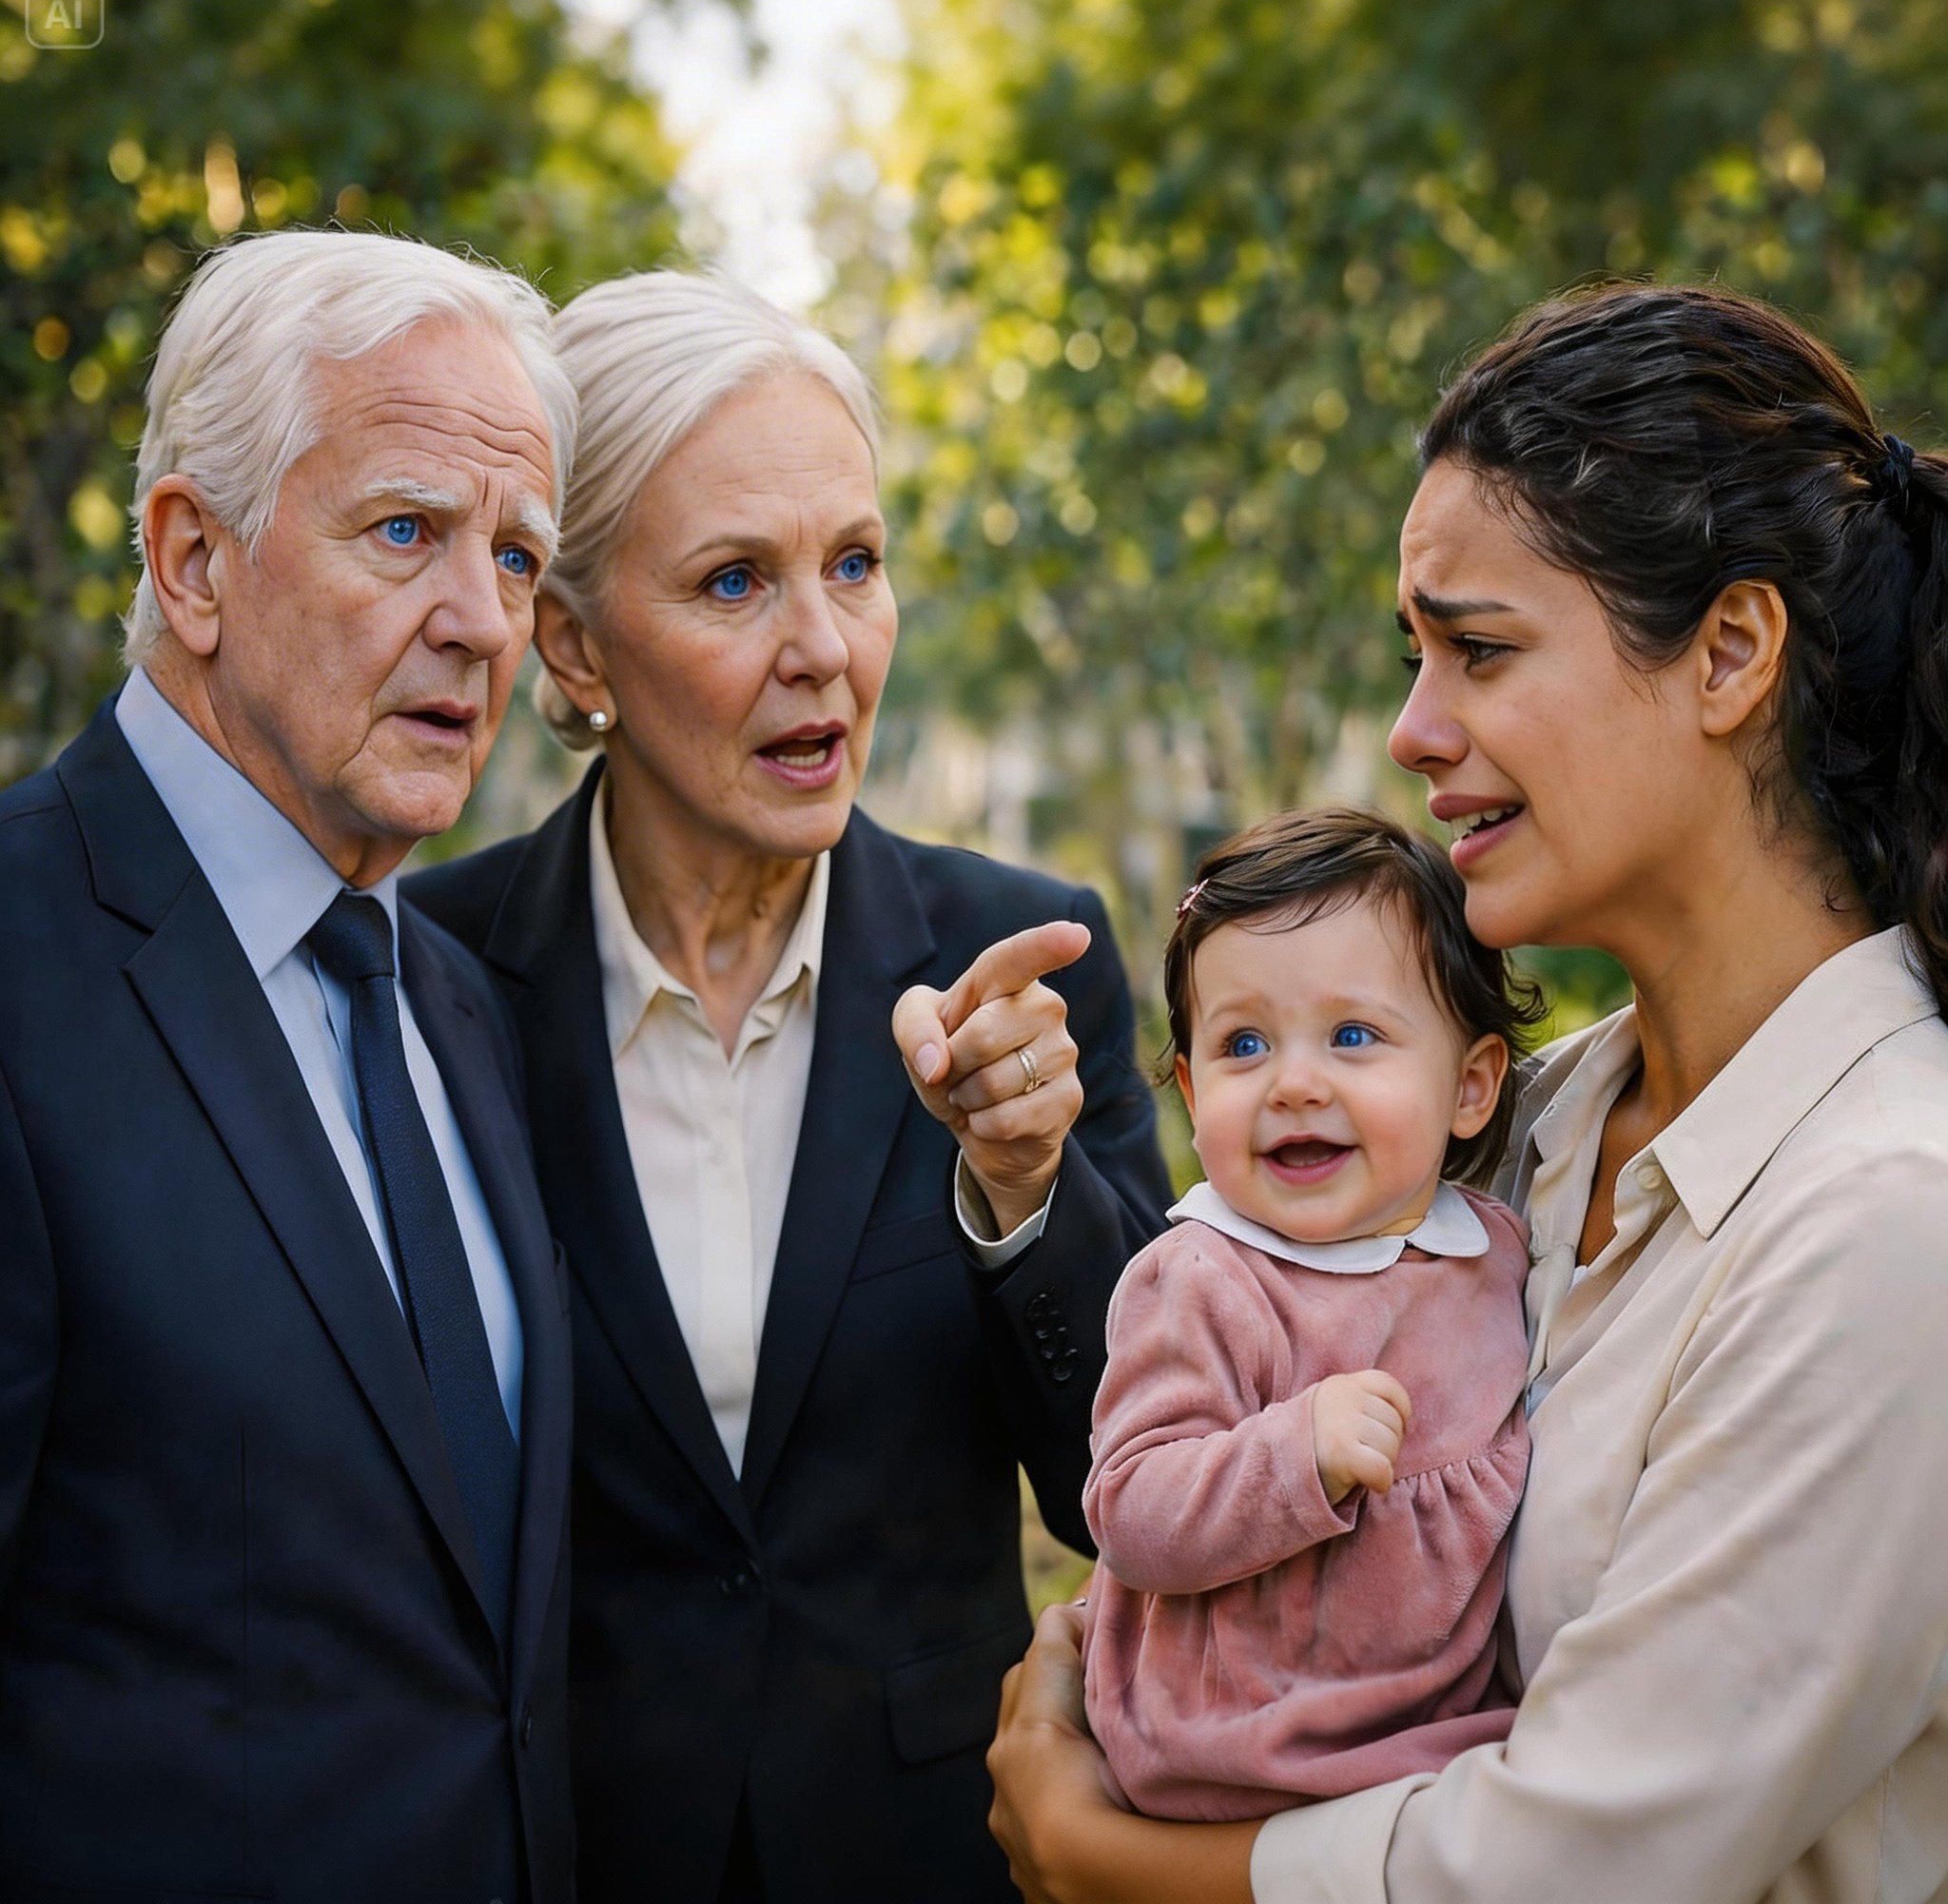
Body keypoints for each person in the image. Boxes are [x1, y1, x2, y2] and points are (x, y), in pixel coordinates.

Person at [985, 281, 1948, 1904]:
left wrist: (1108, 1855)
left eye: (1477, 650)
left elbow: (1586, 1850)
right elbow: (1237, 1352)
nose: (1411, 731)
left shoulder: (1884, 1220)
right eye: (1412, 653)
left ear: (1727, 651)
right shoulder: (1539, 1121)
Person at [405, 268, 1172, 1904]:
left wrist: (1027, 1195)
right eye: (734, 579)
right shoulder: (429, 979)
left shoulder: (1023, 958)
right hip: (561, 1847)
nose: (823, 646)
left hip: (929, 1854)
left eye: (855, 564)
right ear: (570, 639)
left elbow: (1135, 1492)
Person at [0, 228, 580, 1902]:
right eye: (405, 530)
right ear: (194, 560)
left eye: (519, 557)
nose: (480, 621)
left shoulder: (460, 1004)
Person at [1082, 807, 1538, 1823]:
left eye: (1350, 1035)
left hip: (1432, 1747)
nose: (1293, 1082)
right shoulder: (1199, 1277)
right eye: (1243, 1042)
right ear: (1193, 1095)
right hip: (1231, 1753)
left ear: (1468, 1085)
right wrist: (1293, 1452)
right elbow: (1131, 1509)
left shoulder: (1495, 1254)